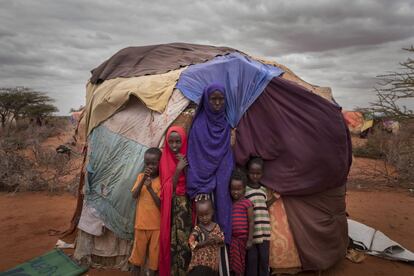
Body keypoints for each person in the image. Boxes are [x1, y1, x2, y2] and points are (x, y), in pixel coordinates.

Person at [187, 83, 234, 245]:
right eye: (213, 99)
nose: (217, 103)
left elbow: (227, 156)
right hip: (202, 188)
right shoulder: (198, 126)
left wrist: (219, 179)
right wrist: (203, 184)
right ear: (206, 100)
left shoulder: (227, 124)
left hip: (222, 184)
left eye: (221, 99)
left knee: (222, 217)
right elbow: (195, 157)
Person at [159, 126, 192, 276]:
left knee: (186, 243)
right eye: (171, 141)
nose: (174, 145)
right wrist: (178, 169)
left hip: (187, 210)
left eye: (178, 141)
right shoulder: (164, 159)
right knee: (173, 242)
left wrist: (184, 167)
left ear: (183, 141)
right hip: (172, 209)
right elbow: (167, 188)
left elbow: (192, 183)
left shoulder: (189, 157)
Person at [129, 148, 162, 276]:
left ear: (160, 163)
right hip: (141, 225)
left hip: (156, 227)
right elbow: (134, 195)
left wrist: (150, 189)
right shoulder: (140, 177)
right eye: (147, 163)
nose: (150, 166)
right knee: (137, 259)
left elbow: (161, 205)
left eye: (153, 163)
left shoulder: (161, 181)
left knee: (154, 261)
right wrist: (143, 181)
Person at [245, 157, 276, 276]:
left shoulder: (263, 190)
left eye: (258, 173)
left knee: (264, 259)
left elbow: (265, 205)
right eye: (252, 173)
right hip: (251, 233)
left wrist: (274, 198)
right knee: (252, 260)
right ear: (248, 172)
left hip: (264, 231)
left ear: (262, 174)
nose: (255, 176)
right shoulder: (245, 190)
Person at [188, 199, 225, 276]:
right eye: (201, 216)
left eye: (207, 214)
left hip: (212, 263)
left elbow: (222, 240)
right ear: (197, 215)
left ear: (212, 212)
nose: (204, 218)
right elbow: (191, 242)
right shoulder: (198, 228)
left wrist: (217, 239)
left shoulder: (216, 226)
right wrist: (205, 243)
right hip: (200, 263)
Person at [229, 168, 254, 276]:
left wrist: (250, 239)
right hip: (232, 240)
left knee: (241, 263)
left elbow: (251, 222)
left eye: (238, 189)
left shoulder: (247, 203)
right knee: (232, 264)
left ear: (244, 189)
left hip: (242, 240)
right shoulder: (229, 203)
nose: (235, 192)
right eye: (233, 189)